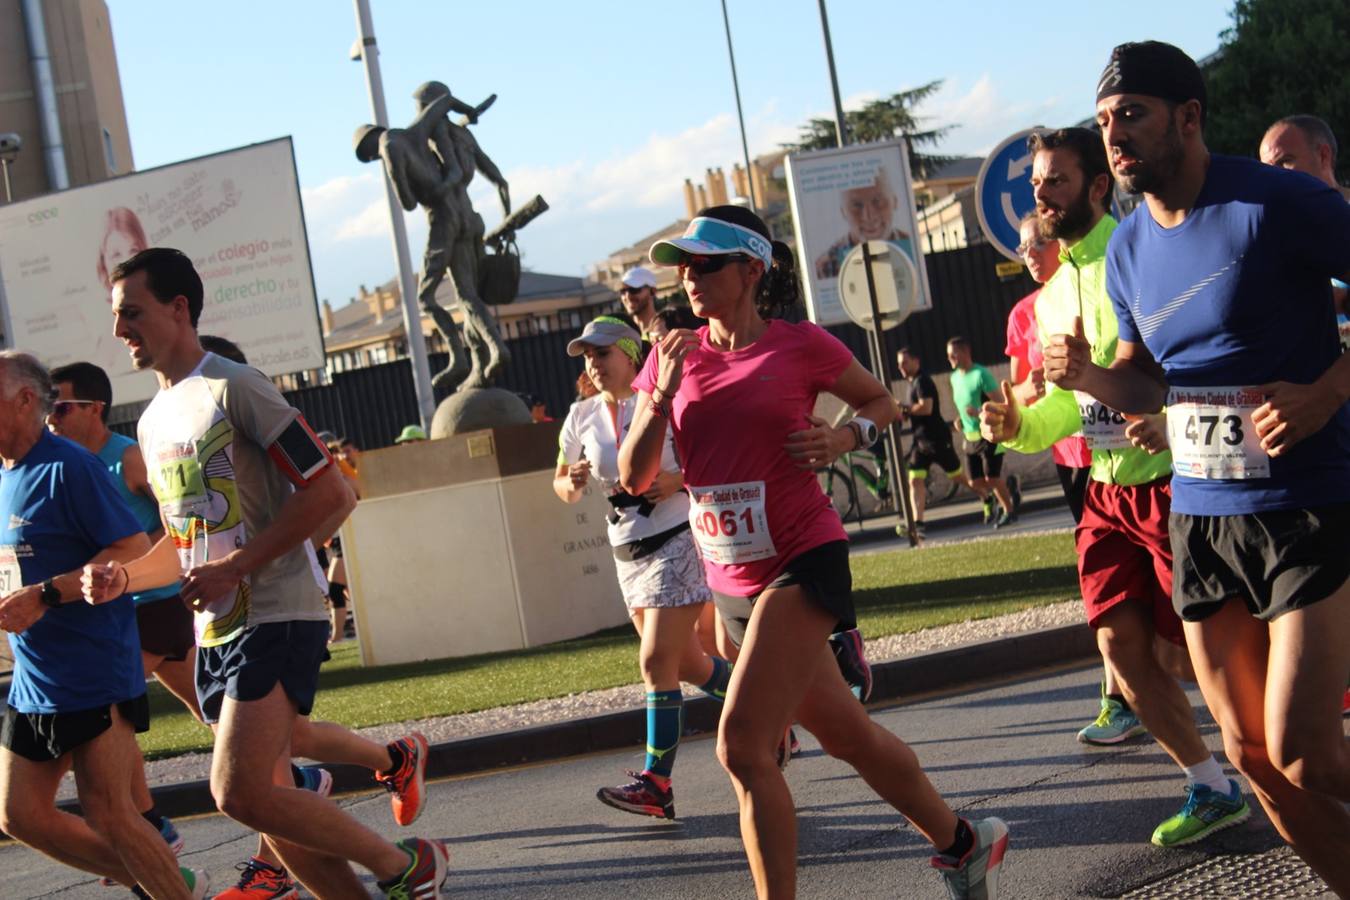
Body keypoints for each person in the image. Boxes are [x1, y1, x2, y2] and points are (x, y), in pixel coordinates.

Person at [621, 205, 1008, 899]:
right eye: (683, 265)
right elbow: (634, 477)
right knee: (846, 736)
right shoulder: (672, 356)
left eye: (704, 264)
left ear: (751, 268)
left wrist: (842, 439)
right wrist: (659, 399)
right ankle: (963, 840)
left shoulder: (798, 346)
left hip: (803, 557)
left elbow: (879, 403)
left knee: (742, 746)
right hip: (729, 576)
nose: (689, 277)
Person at [84, 248, 448, 897]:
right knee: (269, 802)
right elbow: (184, 540)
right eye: (117, 317)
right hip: (217, 631)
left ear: (178, 308)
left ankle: (406, 865)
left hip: (279, 612)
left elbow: (331, 492)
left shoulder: (236, 387)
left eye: (131, 313)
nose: (120, 331)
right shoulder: (151, 420)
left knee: (237, 791)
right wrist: (127, 578)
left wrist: (237, 566)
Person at [1075, 41, 1350, 892]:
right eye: (1104, 122)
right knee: (1252, 759)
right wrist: (1085, 377)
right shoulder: (1126, 250)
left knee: (1310, 756)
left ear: (1188, 118)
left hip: (1304, 501)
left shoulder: (1276, 202)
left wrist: (1327, 393)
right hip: (1199, 516)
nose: (1115, 137)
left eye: (1132, 115)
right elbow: (1145, 376)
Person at [982, 126, 1247, 849]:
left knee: (1202, 655)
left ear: (1098, 187)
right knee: (1120, 649)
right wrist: (1015, 426)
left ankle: (1286, 758)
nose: (1041, 193)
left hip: (1176, 484)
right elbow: (1067, 408)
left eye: (1056, 180)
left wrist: (1165, 416)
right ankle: (1209, 784)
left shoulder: (1142, 256)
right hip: (1105, 492)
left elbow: (1199, 358)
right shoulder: (1050, 293)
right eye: (1036, 183)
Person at [0, 351, 207, 899]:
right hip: (34, 677)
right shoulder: (6, 474)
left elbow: (130, 547)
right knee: (19, 815)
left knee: (112, 812)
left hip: (93, 668)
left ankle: (166, 884)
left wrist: (47, 594)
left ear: (25, 400)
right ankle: (167, 879)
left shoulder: (69, 466)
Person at [554, 314, 733, 819]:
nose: (593, 362)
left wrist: (677, 481)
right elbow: (562, 486)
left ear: (631, 355)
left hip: (677, 538)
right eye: (587, 355)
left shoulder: (663, 398)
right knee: (689, 665)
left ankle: (657, 783)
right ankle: (772, 712)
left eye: (602, 352)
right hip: (626, 552)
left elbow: (714, 454)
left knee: (655, 663)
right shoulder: (579, 416)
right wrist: (574, 480)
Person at [46, 361, 194, 853]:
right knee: (214, 706)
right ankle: (296, 775)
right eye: (48, 406)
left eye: (61, 405)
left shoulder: (126, 457)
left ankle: (149, 825)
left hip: (155, 604)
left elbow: (177, 514)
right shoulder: (66, 464)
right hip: (119, 611)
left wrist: (138, 555)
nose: (52, 416)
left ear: (94, 409)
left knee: (111, 714)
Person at [1007, 213, 1134, 743]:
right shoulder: (1026, 311)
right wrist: (1028, 391)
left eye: (1038, 242)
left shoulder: (1114, 273)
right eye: (1022, 247)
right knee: (1107, 591)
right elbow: (1016, 395)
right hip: (1073, 454)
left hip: (1136, 450)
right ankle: (1119, 697)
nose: (1030, 253)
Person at [1258, 115, 1350, 354]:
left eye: (1285, 162)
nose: (1273, 177)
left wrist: (1340, 300)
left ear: (1323, 155)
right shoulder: (1265, 232)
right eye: (1266, 169)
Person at [894, 347, 976, 540]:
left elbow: (926, 408)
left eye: (905, 362)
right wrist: (904, 413)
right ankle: (918, 524)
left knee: (959, 478)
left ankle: (987, 495)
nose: (901, 367)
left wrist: (904, 407)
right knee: (914, 480)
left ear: (916, 362)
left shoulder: (923, 381)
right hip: (920, 442)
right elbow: (915, 411)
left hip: (937, 439)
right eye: (899, 364)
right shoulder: (911, 383)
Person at [946, 336, 1018, 527]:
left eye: (953, 355)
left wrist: (979, 412)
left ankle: (1009, 511)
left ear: (965, 352)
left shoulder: (981, 374)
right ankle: (1008, 489)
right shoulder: (954, 378)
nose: (950, 359)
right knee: (974, 482)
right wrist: (961, 420)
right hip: (969, 437)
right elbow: (963, 406)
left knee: (991, 478)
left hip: (989, 433)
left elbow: (1000, 404)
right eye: (948, 356)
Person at [814, 165, 914, 279]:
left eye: (878, 201)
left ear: (895, 202)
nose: (869, 216)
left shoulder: (912, 249)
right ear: (843, 212)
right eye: (857, 205)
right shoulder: (827, 265)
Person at [618, 266, 662, 339]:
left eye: (634, 289)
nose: (627, 296)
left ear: (653, 291)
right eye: (623, 291)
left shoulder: (667, 329)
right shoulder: (623, 336)